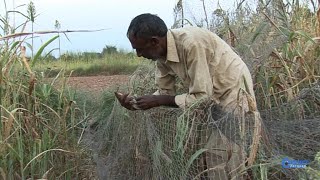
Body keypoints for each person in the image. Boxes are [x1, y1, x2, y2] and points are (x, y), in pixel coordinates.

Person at [115, 13, 257, 179]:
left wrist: (160, 100)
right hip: (211, 95)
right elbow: (164, 92)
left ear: (154, 41)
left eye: (140, 48)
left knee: (222, 152)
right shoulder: (160, 54)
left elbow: (201, 97)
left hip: (232, 89)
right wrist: (136, 103)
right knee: (208, 152)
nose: (138, 54)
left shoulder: (191, 44)